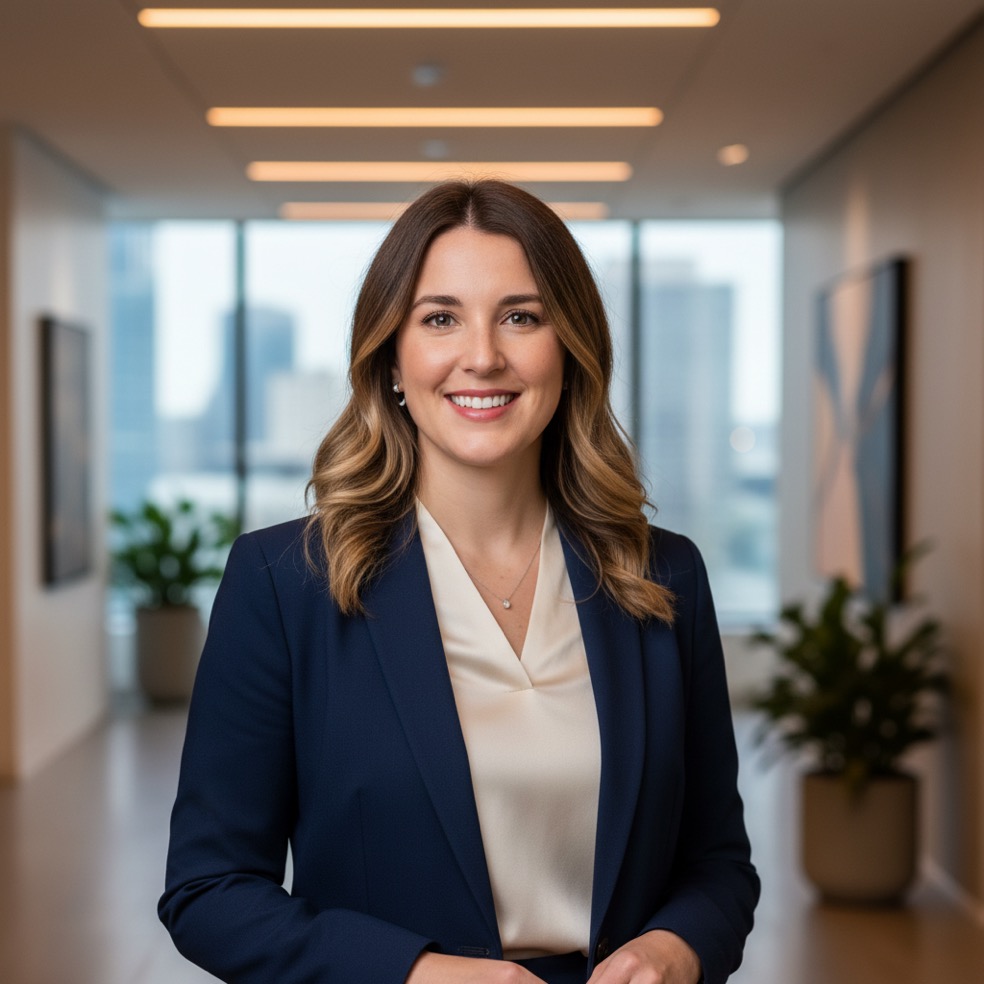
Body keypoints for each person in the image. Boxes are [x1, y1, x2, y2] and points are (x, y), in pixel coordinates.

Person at [159, 179, 759, 984]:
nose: (484, 354)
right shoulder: (284, 583)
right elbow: (209, 890)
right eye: (440, 318)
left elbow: (717, 862)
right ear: (392, 359)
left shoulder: (663, 576)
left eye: (522, 315)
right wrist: (417, 974)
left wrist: (676, 949)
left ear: (571, 349)